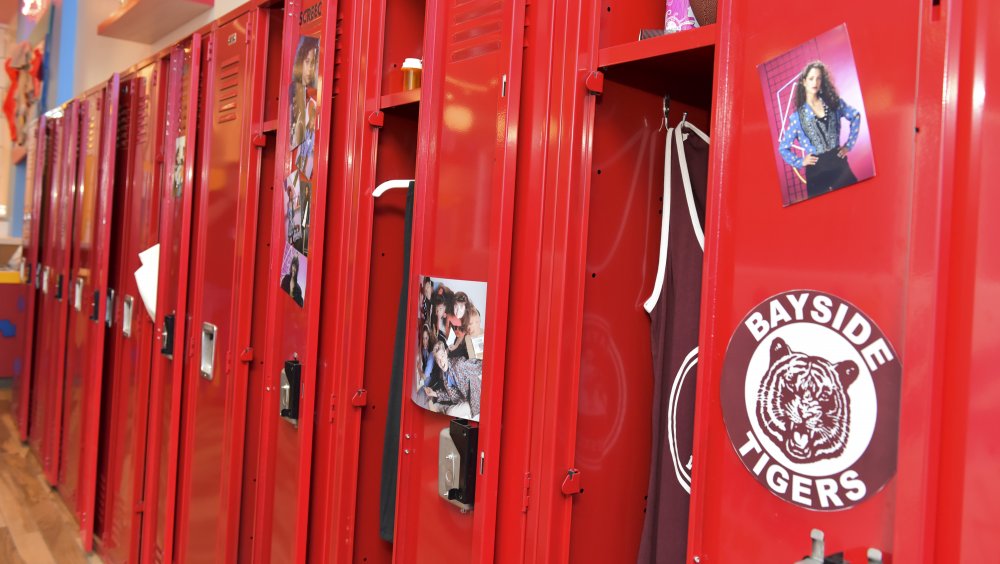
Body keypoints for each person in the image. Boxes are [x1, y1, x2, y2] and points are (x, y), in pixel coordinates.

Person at [778, 61, 861, 198]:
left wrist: (848, 146)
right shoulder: (797, 118)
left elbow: (855, 116)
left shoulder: (834, 103)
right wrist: (800, 161)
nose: (815, 82)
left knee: (854, 199)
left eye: (818, 78)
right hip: (816, 169)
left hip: (837, 161)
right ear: (804, 82)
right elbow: (783, 147)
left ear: (823, 81)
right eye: (811, 78)